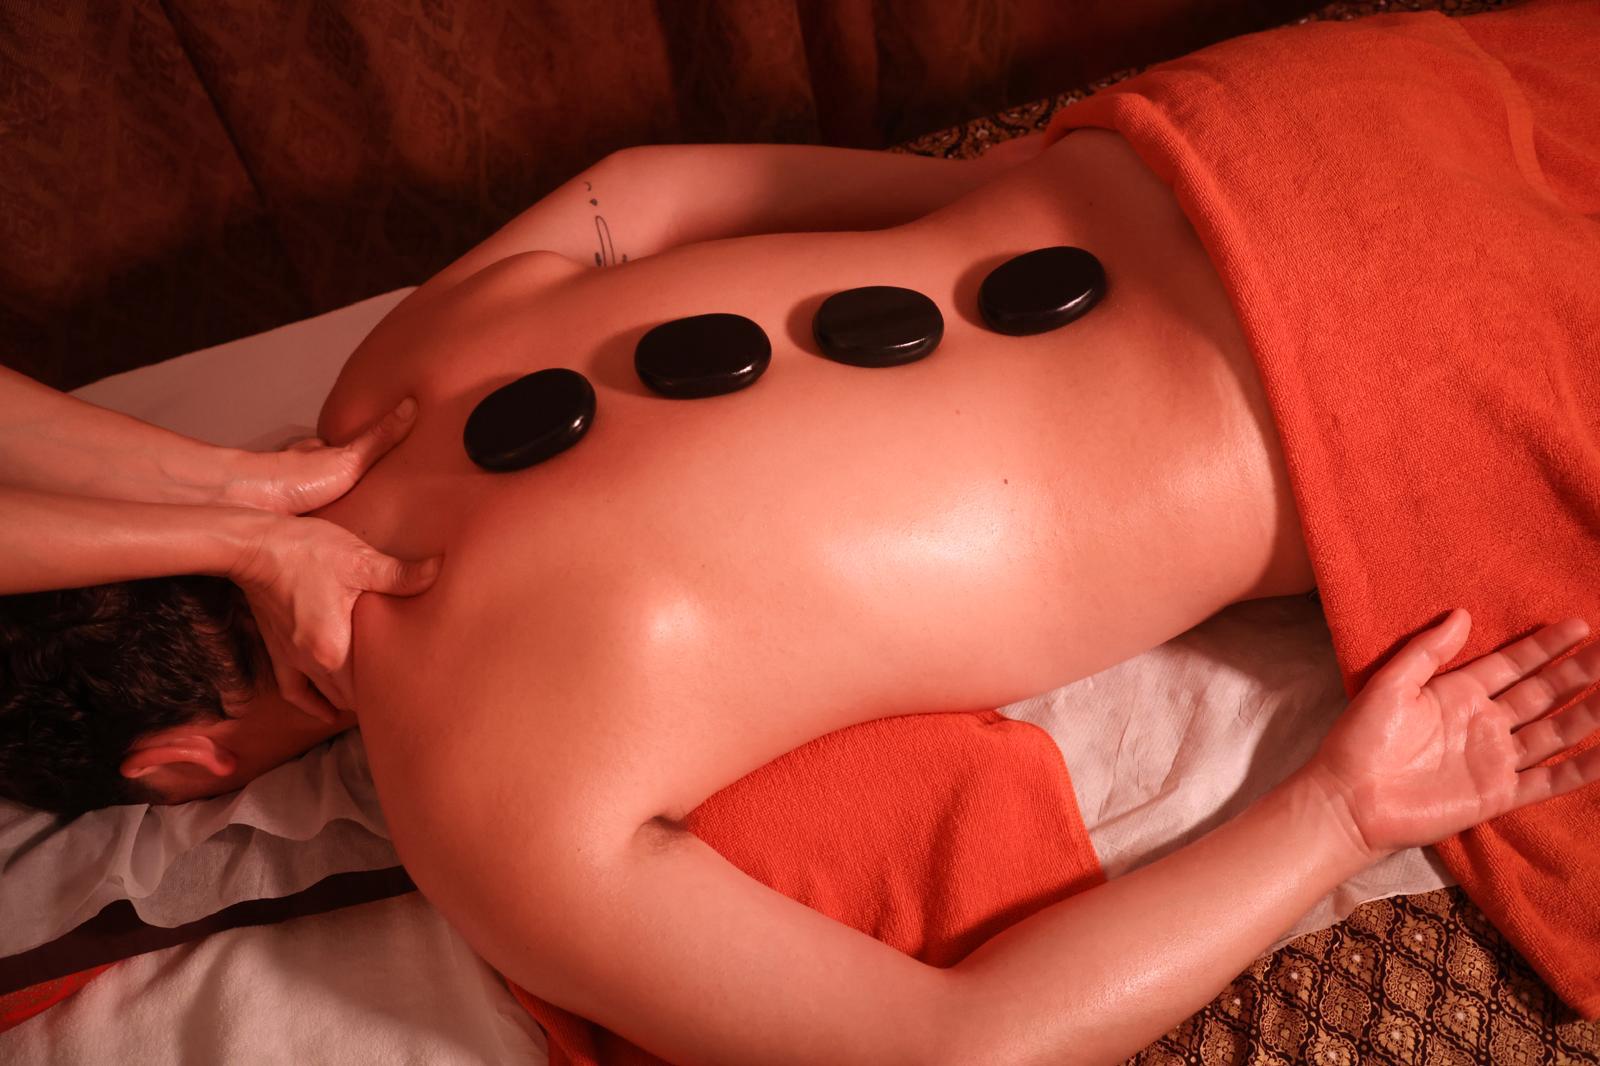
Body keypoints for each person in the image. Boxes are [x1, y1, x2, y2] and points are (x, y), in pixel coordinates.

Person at [4, 3, 1598, 1059]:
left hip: (1408, 369)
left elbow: (959, 1046)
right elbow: (641, 186)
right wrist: (974, 192)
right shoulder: (388, 375)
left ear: (179, 766)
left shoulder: (480, 811)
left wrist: (1343, 807)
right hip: (1271, 124)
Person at [0, 364, 439, 809]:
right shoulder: (367, 394)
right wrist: (237, 502)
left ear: (182, 757)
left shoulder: (436, 784)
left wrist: (252, 542)